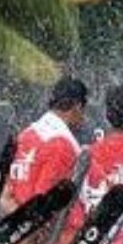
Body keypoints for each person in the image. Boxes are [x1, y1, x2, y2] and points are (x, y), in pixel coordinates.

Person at [8, 77, 87, 207]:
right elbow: (43, 206)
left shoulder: (25, 134)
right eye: (84, 110)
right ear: (77, 107)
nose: (84, 117)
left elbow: (6, 190)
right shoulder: (63, 145)